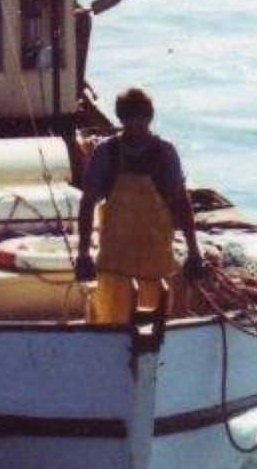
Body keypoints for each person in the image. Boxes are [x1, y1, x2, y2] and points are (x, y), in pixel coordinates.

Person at [75, 87, 204, 324]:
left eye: (141, 118)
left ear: (150, 117)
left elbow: (181, 202)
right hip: (114, 267)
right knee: (109, 328)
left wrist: (194, 250)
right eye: (129, 118)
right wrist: (83, 253)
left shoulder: (164, 153)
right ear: (121, 119)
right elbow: (87, 204)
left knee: (158, 332)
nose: (136, 125)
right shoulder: (106, 152)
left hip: (157, 268)